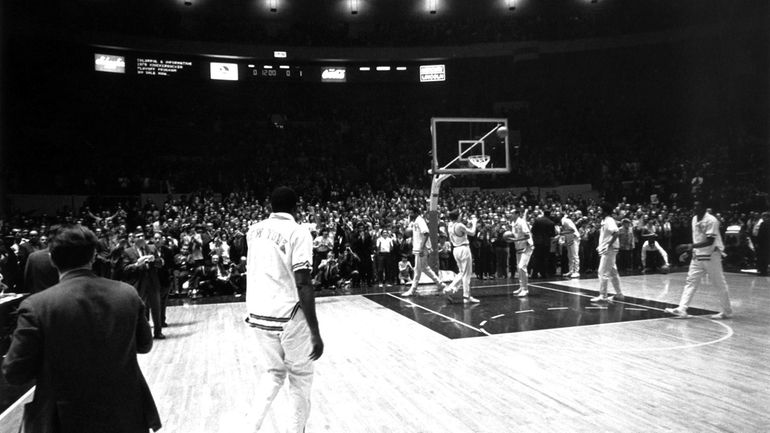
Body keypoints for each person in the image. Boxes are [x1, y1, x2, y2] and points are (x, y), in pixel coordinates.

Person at [2, 224, 161, 433]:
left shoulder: (36, 306)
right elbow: (144, 345)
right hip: (126, 413)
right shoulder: (127, 293)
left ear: (52, 258)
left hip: (65, 420)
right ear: (93, 256)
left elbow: (15, 373)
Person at [245, 186, 323, 433]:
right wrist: (315, 330)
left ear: (270, 206)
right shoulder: (298, 232)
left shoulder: (253, 231)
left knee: (273, 374)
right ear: (296, 207)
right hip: (287, 315)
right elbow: (302, 281)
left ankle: (248, 427)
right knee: (300, 379)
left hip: (257, 314)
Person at [665, 200, 732, 319]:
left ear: (705, 207)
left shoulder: (712, 220)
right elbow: (697, 239)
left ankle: (727, 311)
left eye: (698, 206)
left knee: (719, 284)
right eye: (694, 206)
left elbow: (710, 241)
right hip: (698, 256)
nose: (695, 208)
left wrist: (688, 246)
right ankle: (682, 309)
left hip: (711, 255)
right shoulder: (694, 219)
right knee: (690, 281)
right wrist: (690, 252)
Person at [120, 231, 166, 339]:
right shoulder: (128, 251)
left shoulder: (152, 248)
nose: (141, 238)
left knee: (156, 308)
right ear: (133, 239)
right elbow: (125, 269)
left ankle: (158, 332)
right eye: (138, 236)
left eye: (142, 236)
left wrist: (154, 260)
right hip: (138, 285)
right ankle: (143, 335)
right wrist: (137, 264)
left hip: (152, 284)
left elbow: (160, 264)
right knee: (140, 310)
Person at [401, 205, 447, 297]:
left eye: (411, 213)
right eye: (409, 213)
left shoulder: (420, 221)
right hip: (418, 248)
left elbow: (426, 233)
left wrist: (421, 248)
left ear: (416, 213)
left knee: (417, 270)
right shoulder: (415, 221)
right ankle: (440, 284)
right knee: (425, 268)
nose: (410, 214)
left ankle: (412, 290)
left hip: (421, 249)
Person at [591, 203, 624, 303]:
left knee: (602, 272)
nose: (598, 211)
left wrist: (608, 244)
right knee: (613, 272)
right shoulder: (604, 220)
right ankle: (619, 294)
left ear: (605, 211)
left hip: (610, 250)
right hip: (610, 249)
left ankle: (603, 295)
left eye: (600, 210)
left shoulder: (609, 220)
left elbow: (616, 232)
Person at [444, 210, 479, 303]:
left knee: (462, 272)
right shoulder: (459, 225)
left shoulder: (450, 224)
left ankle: (450, 289)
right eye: (460, 214)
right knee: (467, 274)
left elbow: (462, 231)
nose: (461, 216)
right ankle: (466, 297)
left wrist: (468, 224)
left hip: (455, 249)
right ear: (458, 216)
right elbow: (472, 233)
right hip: (463, 249)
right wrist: (474, 223)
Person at [511, 208, 534, 297]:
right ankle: (521, 287)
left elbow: (527, 236)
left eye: (512, 213)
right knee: (518, 268)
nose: (510, 215)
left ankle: (525, 289)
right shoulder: (513, 223)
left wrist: (516, 239)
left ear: (517, 214)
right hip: (519, 247)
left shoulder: (521, 222)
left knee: (522, 267)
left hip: (527, 247)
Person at [560, 212, 580, 278]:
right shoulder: (564, 221)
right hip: (569, 238)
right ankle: (571, 270)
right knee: (570, 255)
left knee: (575, 255)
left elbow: (572, 230)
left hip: (574, 238)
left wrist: (562, 233)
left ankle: (576, 271)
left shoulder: (565, 221)